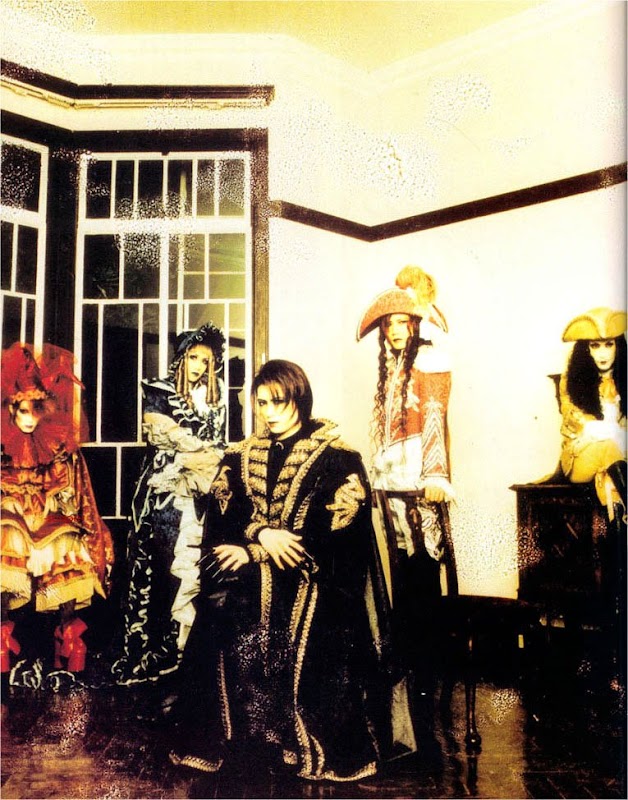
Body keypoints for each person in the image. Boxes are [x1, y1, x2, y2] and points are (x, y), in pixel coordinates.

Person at [169, 359, 392, 783]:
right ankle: (240, 740)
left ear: (299, 400)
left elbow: (336, 537)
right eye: (261, 403)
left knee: (297, 614)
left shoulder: (338, 458)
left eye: (279, 402)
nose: (269, 413)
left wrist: (256, 551)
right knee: (224, 604)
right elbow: (221, 521)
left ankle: (294, 740)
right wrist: (261, 534)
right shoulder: (238, 456)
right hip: (251, 572)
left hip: (316, 579)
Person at [357, 283, 453, 732]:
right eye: (389, 325)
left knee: (421, 572)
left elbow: (434, 417)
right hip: (390, 482)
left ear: (415, 324)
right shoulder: (390, 368)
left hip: (419, 478)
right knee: (396, 576)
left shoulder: (428, 359)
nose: (396, 331)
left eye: (403, 322)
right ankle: (404, 679)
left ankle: (424, 678)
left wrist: (435, 476)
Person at [112, 324, 226, 686]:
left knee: (192, 568)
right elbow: (166, 436)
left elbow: (219, 444)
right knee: (159, 566)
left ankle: (184, 654)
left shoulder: (215, 400)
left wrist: (207, 456)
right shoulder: (159, 391)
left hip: (199, 494)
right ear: (181, 358)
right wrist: (201, 451)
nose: (199, 366)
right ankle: (151, 650)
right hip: (162, 494)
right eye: (194, 357)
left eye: (206, 361)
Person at [1, 342, 114, 676]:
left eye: (36, 410)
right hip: (15, 521)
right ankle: (7, 640)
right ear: (11, 410)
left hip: (48, 521)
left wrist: (62, 506)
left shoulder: (58, 444)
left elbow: (75, 491)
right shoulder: (5, 444)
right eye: (23, 411)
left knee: (65, 548)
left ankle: (68, 639)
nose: (29, 419)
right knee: (7, 544)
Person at [559, 306, 626, 524]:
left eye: (609, 344)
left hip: (618, 457)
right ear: (585, 349)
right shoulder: (571, 381)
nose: (603, 353)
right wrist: (618, 433)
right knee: (608, 447)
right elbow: (584, 427)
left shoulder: (623, 379)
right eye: (595, 346)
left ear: (619, 345)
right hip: (582, 456)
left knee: (613, 470)